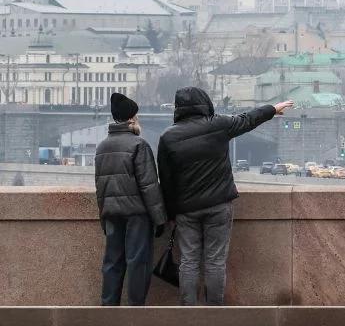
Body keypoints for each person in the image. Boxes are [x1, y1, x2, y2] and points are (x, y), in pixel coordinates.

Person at [157, 87, 293, 305]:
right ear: (205, 103)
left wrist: (171, 213)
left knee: (189, 261)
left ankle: (187, 311)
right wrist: (272, 109)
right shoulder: (218, 125)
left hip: (186, 210)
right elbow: (247, 120)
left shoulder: (168, 137)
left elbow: (166, 181)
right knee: (215, 261)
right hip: (219, 205)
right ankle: (215, 311)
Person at [94, 92, 168, 306]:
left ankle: (109, 309)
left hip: (111, 213)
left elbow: (100, 187)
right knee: (137, 261)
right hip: (136, 213)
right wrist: (159, 219)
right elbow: (149, 186)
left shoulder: (102, 147)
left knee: (112, 262)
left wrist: (103, 217)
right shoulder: (139, 145)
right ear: (131, 118)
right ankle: (134, 310)